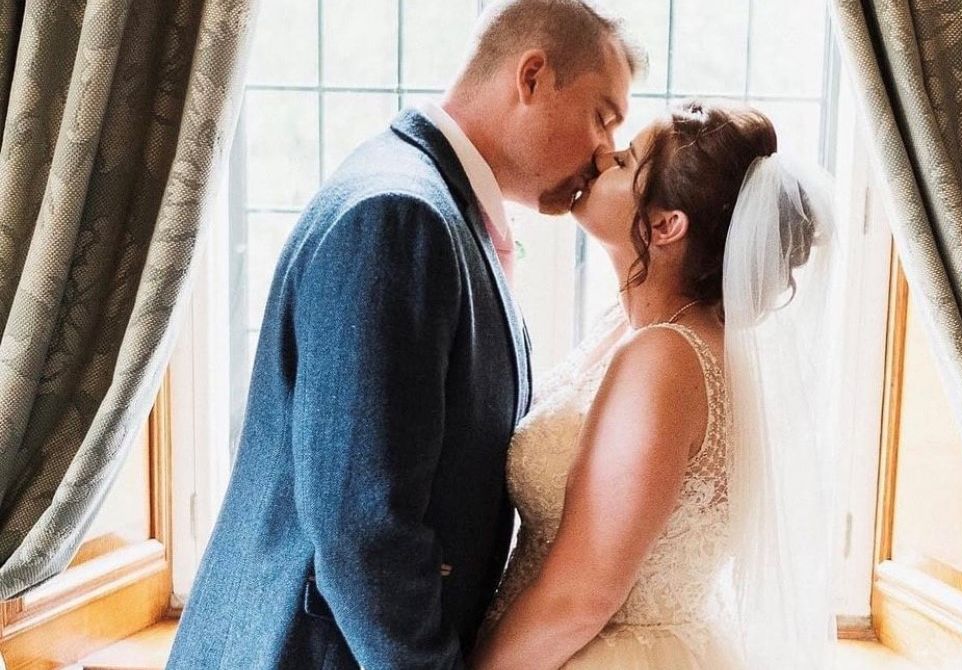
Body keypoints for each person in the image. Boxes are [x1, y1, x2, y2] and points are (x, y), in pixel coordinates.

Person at [167, 2, 642, 668]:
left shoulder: (442, 212)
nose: (605, 152)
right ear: (531, 76)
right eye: (604, 114)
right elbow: (366, 528)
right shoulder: (399, 214)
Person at [472, 102, 843, 669]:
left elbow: (583, 597)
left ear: (666, 224)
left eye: (623, 162)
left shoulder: (665, 358)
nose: (601, 157)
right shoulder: (640, 331)